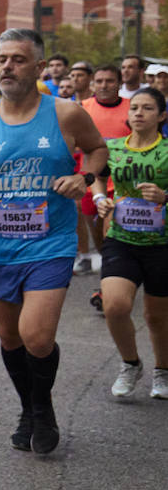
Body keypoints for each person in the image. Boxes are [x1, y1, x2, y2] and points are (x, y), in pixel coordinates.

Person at [0, 29, 107, 455]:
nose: (7, 66)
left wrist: (84, 178)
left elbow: (97, 149)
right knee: (10, 339)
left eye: (18, 59)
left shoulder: (66, 113)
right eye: (2, 59)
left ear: (39, 68)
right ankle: (29, 407)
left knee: (36, 337)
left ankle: (43, 408)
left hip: (50, 242)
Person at [92, 87, 168, 399]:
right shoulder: (112, 148)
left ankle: (162, 372)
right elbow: (97, 176)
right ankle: (131, 363)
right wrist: (100, 198)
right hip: (121, 238)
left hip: (162, 244)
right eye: (134, 107)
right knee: (115, 305)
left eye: (147, 108)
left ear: (162, 116)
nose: (138, 113)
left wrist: (165, 198)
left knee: (156, 316)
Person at [78, 65, 132, 277]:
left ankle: (113, 273)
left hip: (121, 181)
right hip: (91, 179)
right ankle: (108, 262)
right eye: (99, 81)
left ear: (119, 83)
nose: (104, 86)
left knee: (112, 230)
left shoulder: (132, 108)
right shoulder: (83, 108)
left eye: (109, 81)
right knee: (97, 229)